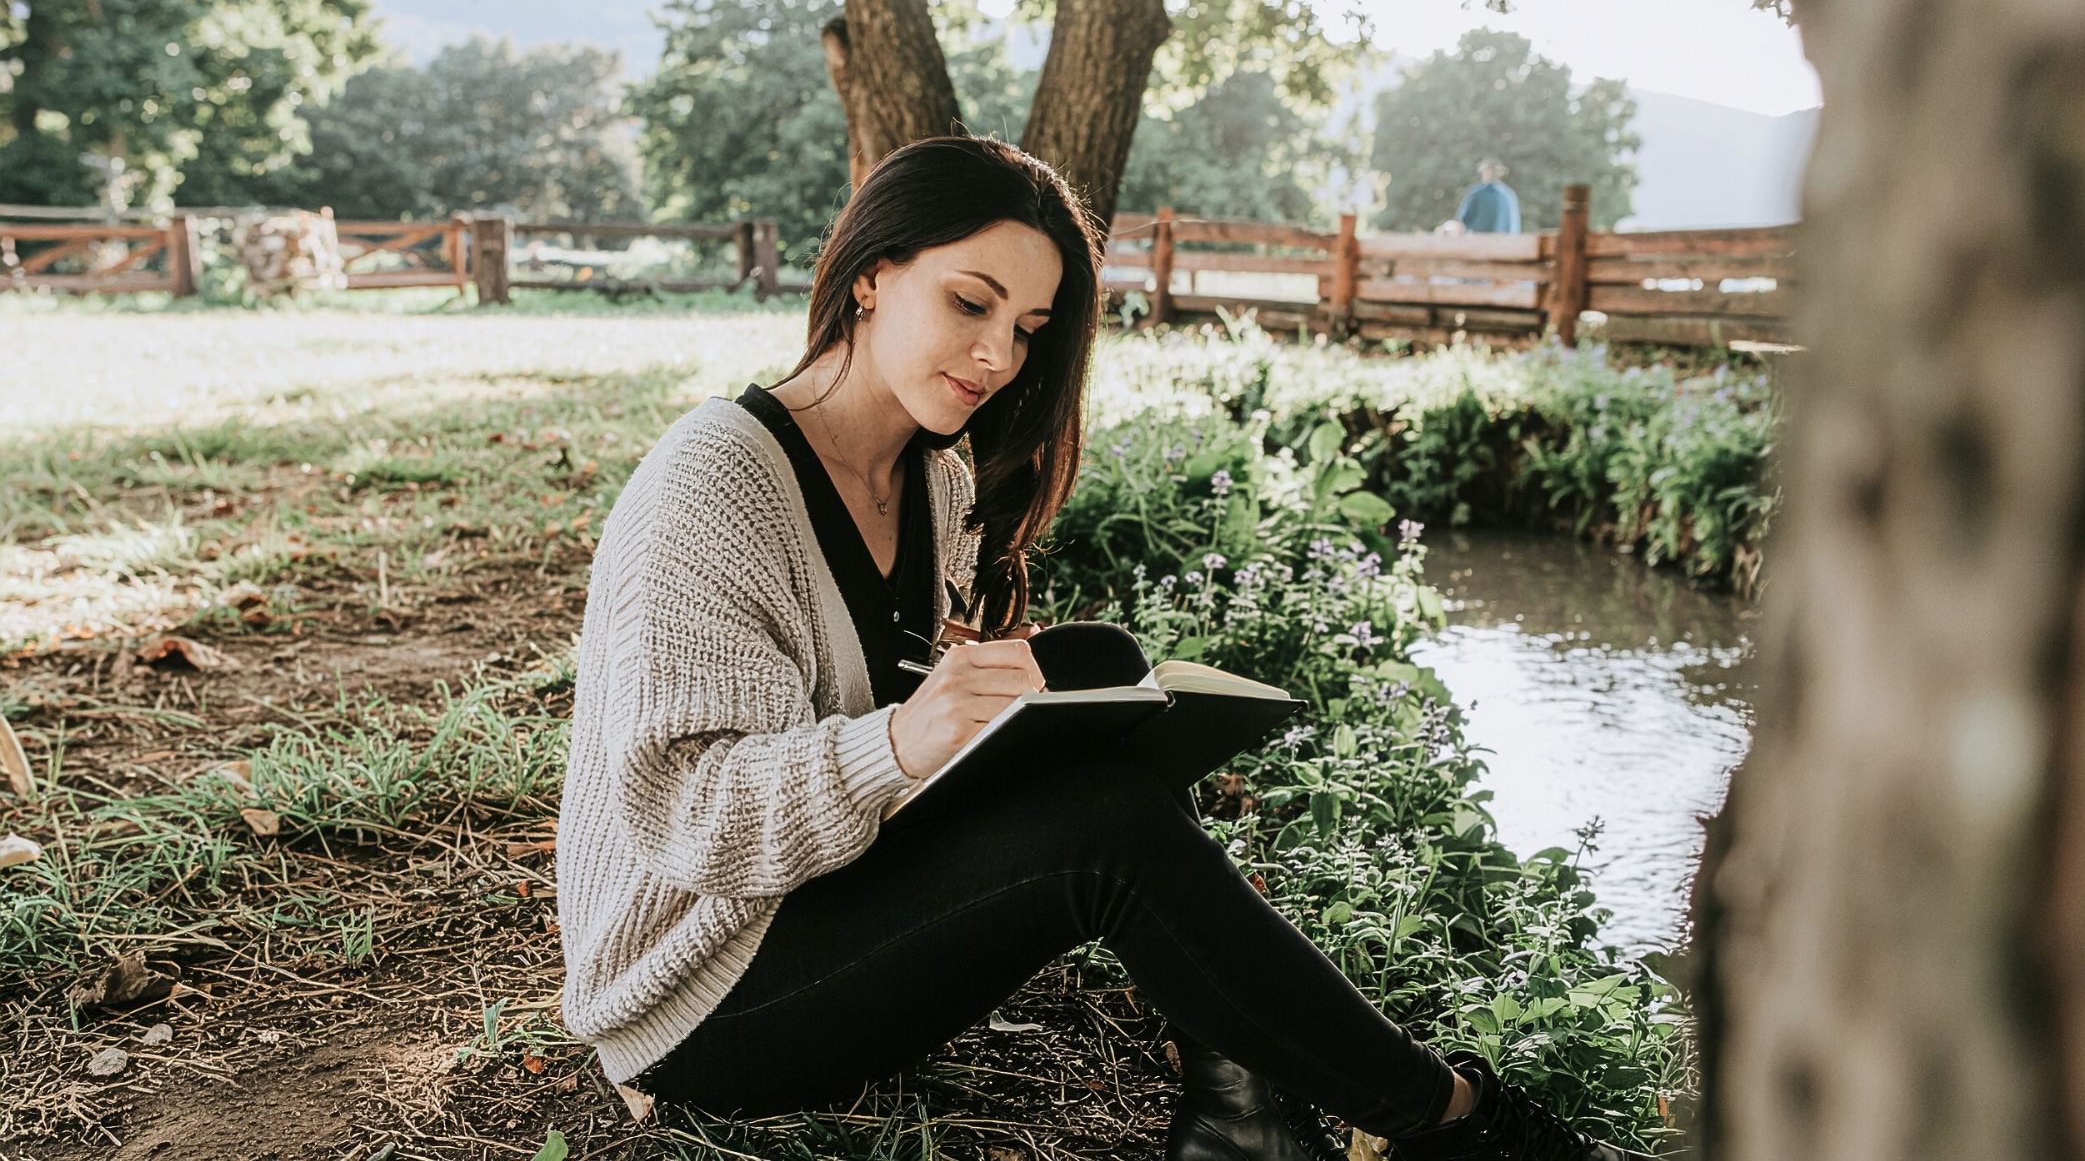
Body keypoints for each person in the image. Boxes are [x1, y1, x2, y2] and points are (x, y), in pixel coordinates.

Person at [552, 134, 1647, 1160]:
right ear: (871, 273)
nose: (995, 354)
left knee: (1097, 676)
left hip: (810, 901)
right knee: (1104, 828)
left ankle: (1237, 1108)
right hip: (697, 994)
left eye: (1027, 329)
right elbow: (686, 815)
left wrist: (979, 716)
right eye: (969, 302)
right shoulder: (716, 480)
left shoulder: (932, 475)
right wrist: (901, 739)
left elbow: (880, 709)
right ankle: (1454, 1124)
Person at [1453, 160, 1522, 234]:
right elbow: (1514, 223)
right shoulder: (1508, 194)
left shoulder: (1476, 193)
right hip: (1500, 240)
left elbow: (1461, 221)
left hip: (1481, 239)